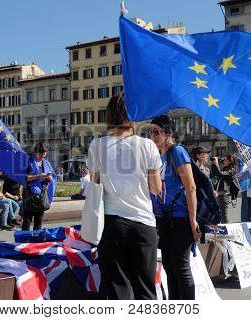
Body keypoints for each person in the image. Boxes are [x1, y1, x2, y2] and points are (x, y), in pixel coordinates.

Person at [87, 93, 162, 300]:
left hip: (111, 223)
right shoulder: (148, 146)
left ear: (109, 115)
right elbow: (155, 189)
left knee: (116, 289)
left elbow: (95, 182)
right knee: (146, 290)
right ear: (133, 115)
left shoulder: (97, 145)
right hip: (143, 223)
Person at [150, 115, 201, 300]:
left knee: (181, 266)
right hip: (164, 219)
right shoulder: (157, 155)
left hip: (180, 218)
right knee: (170, 267)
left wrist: (192, 219)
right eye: (150, 132)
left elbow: (191, 187)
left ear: (168, 133)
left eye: (156, 132)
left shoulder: (177, 152)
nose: (152, 136)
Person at [22, 142, 57, 231]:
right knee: (27, 220)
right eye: (40, 153)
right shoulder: (29, 162)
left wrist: (49, 178)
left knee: (39, 220)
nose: (42, 156)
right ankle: (23, 242)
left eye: (44, 153)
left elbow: (53, 178)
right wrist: (38, 176)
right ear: (35, 152)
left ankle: (36, 241)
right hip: (29, 194)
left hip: (42, 194)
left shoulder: (47, 163)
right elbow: (24, 178)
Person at [211, 155, 238, 223]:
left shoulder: (231, 170)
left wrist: (217, 163)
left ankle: (226, 230)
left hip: (224, 195)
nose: (223, 161)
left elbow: (220, 174)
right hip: (219, 194)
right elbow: (215, 174)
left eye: (225, 160)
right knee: (219, 214)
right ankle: (222, 230)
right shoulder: (225, 169)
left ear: (230, 161)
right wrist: (214, 164)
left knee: (223, 215)